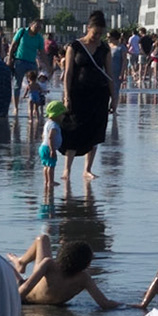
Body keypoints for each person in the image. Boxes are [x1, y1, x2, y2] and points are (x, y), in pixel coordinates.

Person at [60, 12, 114, 188]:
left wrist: (115, 98)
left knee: (94, 131)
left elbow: (110, 75)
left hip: (99, 95)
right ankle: (67, 170)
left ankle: (87, 169)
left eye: (100, 34)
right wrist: (67, 96)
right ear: (88, 28)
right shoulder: (74, 46)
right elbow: (68, 73)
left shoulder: (104, 49)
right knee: (73, 129)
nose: (97, 37)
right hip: (77, 94)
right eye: (94, 33)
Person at [38, 100, 67, 202]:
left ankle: (46, 181)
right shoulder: (54, 125)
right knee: (51, 165)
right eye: (62, 114)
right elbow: (50, 137)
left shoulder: (48, 123)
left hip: (43, 146)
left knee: (46, 165)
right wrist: (52, 149)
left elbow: (43, 136)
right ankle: (50, 181)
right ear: (57, 115)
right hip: (48, 148)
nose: (63, 117)